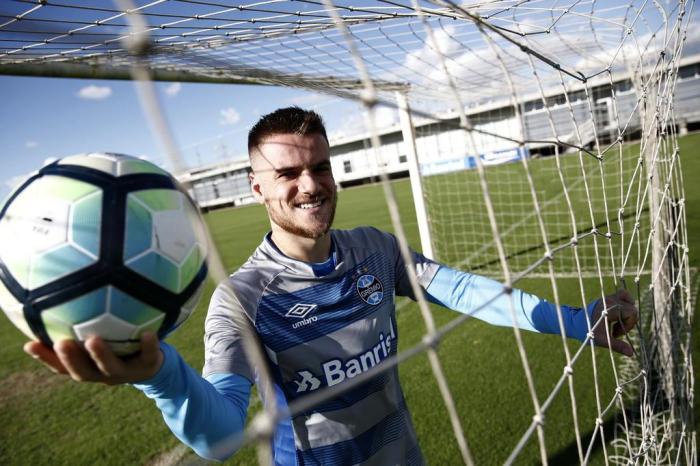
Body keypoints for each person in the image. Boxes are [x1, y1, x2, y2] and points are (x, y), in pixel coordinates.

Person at [25, 107, 639, 465]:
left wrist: (576, 321)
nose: (310, 184)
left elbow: (463, 291)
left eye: (319, 167)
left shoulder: (375, 248)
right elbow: (222, 434)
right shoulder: (242, 299)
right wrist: (161, 375)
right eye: (288, 173)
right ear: (258, 187)